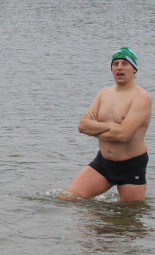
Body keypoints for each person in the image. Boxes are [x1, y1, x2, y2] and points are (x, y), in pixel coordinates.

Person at [63, 47, 150, 202]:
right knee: (67, 198)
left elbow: (123, 135)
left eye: (124, 63)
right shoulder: (104, 94)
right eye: (115, 64)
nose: (119, 67)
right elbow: (82, 126)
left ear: (134, 69)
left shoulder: (141, 97)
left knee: (130, 214)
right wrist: (112, 127)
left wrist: (95, 129)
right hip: (103, 163)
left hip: (131, 165)